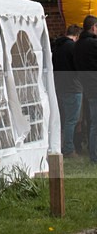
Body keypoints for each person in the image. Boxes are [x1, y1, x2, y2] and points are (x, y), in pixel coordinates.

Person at [51, 24, 82, 156]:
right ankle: (69, 148)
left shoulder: (57, 46)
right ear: (77, 36)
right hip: (73, 86)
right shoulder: (73, 47)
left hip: (59, 85)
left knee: (63, 119)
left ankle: (61, 144)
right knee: (72, 120)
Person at [73, 15, 97, 162]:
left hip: (87, 86)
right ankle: (94, 155)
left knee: (92, 122)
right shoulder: (93, 44)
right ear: (93, 27)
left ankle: (93, 154)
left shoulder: (77, 45)